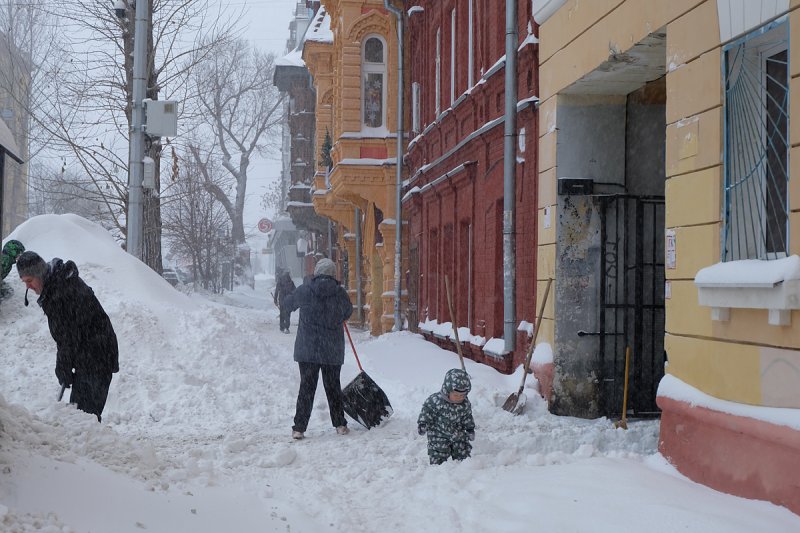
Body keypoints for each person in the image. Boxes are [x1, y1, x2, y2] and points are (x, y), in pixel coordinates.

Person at [16, 251, 119, 422]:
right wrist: (65, 365)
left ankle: (91, 446)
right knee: (80, 416)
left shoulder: (60, 292)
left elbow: (69, 336)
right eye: (24, 282)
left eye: (29, 281)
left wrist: (63, 366)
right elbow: (68, 336)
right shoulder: (56, 286)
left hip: (97, 355)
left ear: (40, 274)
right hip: (89, 355)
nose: (28, 286)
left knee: (84, 418)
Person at [283, 258, 353, 439]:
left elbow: (288, 304)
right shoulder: (340, 293)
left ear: (316, 272)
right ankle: (340, 425)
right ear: (333, 274)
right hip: (331, 349)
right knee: (333, 388)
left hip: (308, 350)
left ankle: (299, 428)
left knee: (306, 389)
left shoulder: (305, 290)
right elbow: (347, 312)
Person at [417, 368, 476, 465]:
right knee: (439, 451)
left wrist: (470, 429)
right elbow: (426, 412)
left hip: (458, 433)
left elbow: (467, 416)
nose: (460, 398)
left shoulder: (464, 404)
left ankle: (463, 466)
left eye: (463, 395)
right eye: (456, 395)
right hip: (438, 434)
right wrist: (423, 424)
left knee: (462, 448)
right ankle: (437, 469)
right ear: (447, 390)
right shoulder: (435, 401)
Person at [273, 269, 296, 334]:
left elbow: (277, 290)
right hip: (288, 300)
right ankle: (287, 327)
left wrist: (275, 299)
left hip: (282, 300)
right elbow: (295, 291)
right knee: (288, 314)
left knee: (282, 313)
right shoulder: (291, 282)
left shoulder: (280, 281)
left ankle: (282, 327)